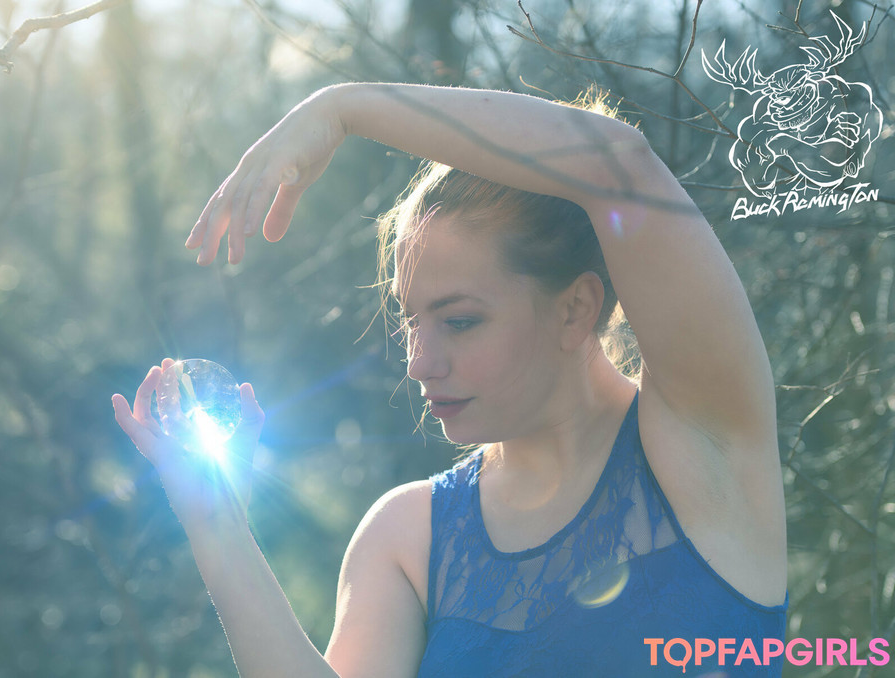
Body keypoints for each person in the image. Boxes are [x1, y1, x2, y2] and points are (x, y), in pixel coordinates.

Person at [112, 83, 788, 676]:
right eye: (412, 320)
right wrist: (216, 525)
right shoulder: (408, 537)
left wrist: (341, 109)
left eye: (459, 321)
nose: (419, 361)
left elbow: (616, 160)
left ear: (576, 309)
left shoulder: (703, 444)